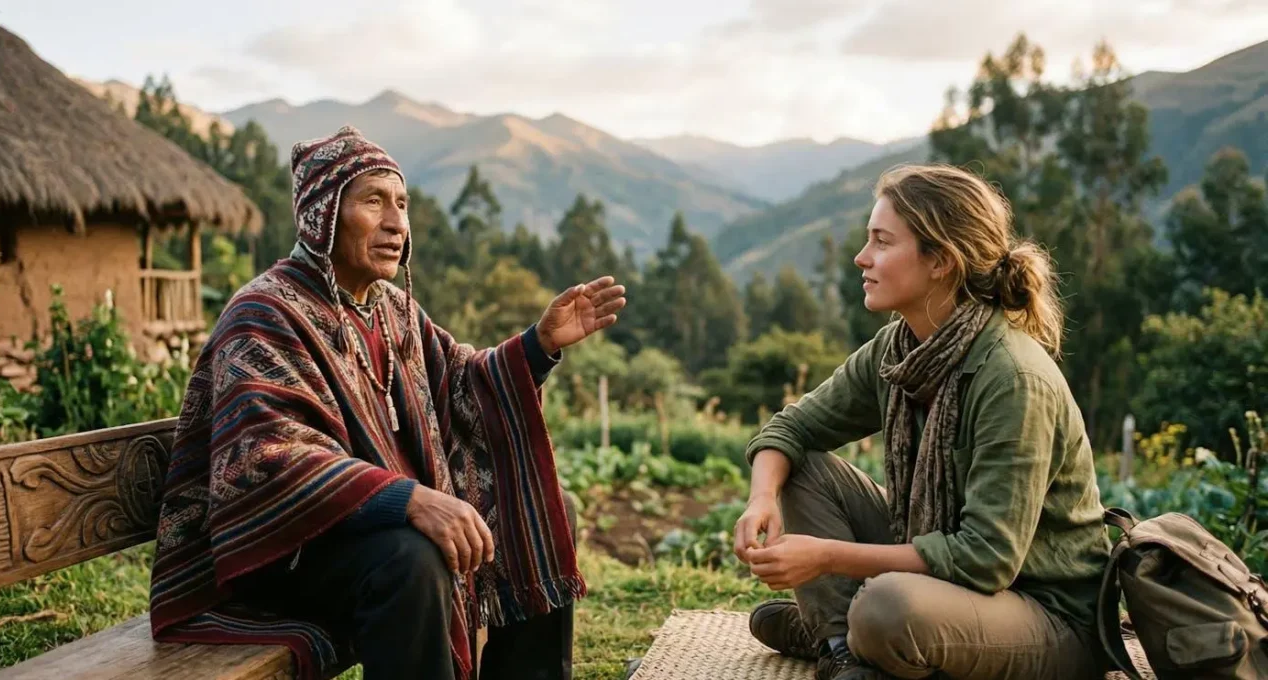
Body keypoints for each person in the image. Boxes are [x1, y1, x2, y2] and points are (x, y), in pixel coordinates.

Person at [148, 125, 626, 680]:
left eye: (401, 203)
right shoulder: (265, 314)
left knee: (546, 509)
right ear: (321, 214)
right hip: (278, 551)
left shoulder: (392, 309)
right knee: (414, 558)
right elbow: (265, 457)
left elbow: (461, 386)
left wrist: (537, 347)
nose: (397, 222)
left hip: (360, 534)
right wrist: (408, 500)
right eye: (373, 201)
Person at [733, 164, 1112, 680]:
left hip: (1047, 617)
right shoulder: (900, 349)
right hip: (956, 587)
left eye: (882, 242)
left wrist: (826, 558)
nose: (861, 258)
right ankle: (845, 647)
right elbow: (791, 430)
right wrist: (761, 499)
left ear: (940, 262)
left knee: (889, 607)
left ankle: (849, 629)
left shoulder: (1013, 378)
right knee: (801, 469)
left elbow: (986, 559)